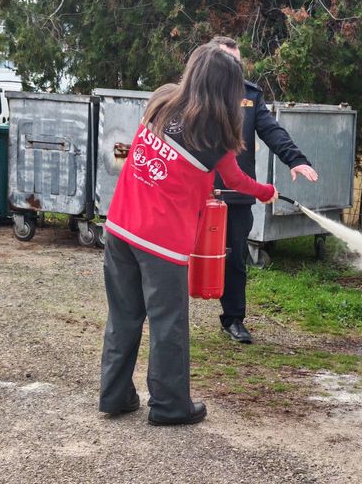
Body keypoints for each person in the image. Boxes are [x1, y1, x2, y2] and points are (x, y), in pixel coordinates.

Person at [100, 43, 278, 426]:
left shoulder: (161, 100)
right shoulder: (216, 134)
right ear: (229, 89)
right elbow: (236, 181)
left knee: (124, 316)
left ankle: (114, 396)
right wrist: (268, 193)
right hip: (160, 242)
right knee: (168, 323)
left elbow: (169, 162)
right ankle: (169, 406)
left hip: (119, 227)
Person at [210, 36, 319, 344]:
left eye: (237, 62)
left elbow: (272, 130)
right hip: (198, 193)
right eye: (227, 62)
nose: (234, 69)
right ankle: (169, 315)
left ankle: (233, 319)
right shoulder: (197, 95)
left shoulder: (250, 96)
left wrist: (295, 159)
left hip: (238, 194)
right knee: (182, 254)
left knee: (235, 258)